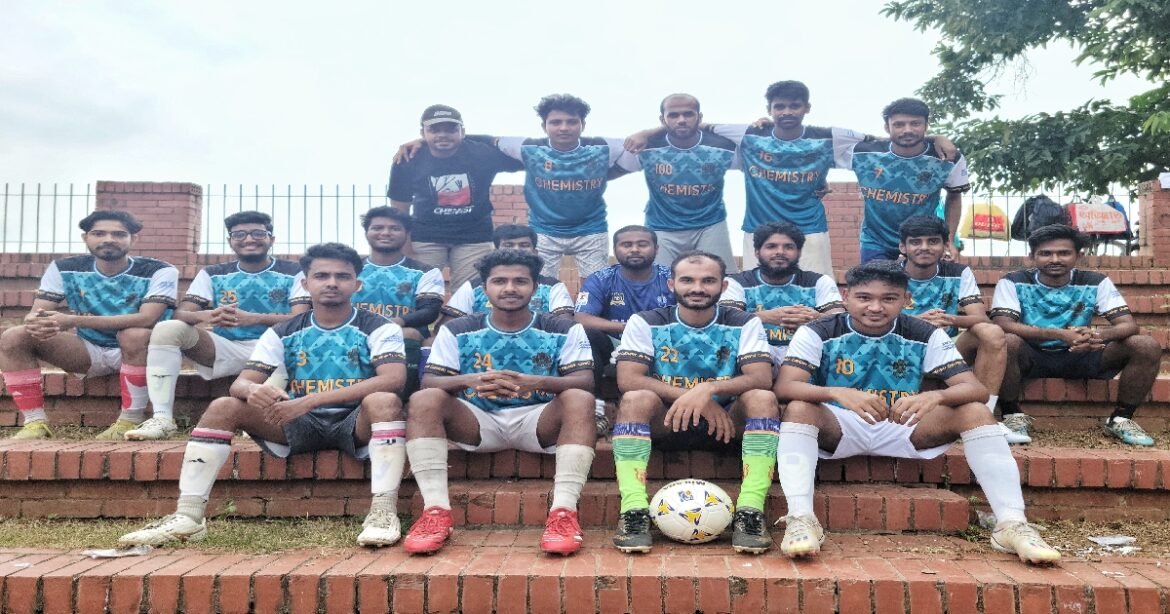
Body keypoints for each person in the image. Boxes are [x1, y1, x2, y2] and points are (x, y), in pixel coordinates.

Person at [119, 243, 409, 547]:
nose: (332, 283)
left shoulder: (379, 326)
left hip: (355, 421)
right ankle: (188, 517)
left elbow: (393, 379)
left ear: (357, 285)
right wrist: (254, 390)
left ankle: (382, 512)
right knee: (224, 406)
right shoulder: (283, 330)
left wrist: (309, 401)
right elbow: (240, 384)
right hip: (299, 422)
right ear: (305, 283)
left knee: (384, 400)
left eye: (343, 276)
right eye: (322, 276)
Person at [773, 260, 1060, 565]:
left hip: (904, 424)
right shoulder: (818, 331)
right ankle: (801, 519)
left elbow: (975, 389)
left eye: (889, 298)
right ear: (846, 297)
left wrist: (936, 395)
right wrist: (835, 392)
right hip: (840, 423)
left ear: (906, 299)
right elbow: (785, 387)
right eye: (864, 297)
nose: (875, 307)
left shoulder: (924, 332)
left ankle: (1011, 524)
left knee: (976, 411)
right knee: (799, 408)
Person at [402, 250, 597, 556]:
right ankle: (435, 512)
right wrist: (471, 380)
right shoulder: (457, 328)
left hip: (538, 419)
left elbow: (586, 381)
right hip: (478, 420)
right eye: (500, 281)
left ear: (535, 288)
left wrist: (537, 382)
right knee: (424, 399)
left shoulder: (563, 328)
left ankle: (563, 514)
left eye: (520, 281)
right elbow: (430, 381)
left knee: (579, 397)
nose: (510, 288)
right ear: (484, 288)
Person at [610, 251, 779, 554]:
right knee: (635, 399)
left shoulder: (744, 322)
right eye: (687, 280)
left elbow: (761, 377)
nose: (697, 288)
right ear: (671, 284)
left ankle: (750, 510)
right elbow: (628, 378)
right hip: (668, 420)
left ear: (723, 286)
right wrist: (695, 397)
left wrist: (709, 389)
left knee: (763, 398)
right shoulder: (646, 321)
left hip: (726, 424)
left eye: (708, 281)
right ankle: (633, 510)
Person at [128, 211, 311, 441]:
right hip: (227, 347)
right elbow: (180, 312)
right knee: (168, 329)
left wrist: (253, 318)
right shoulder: (213, 273)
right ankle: (163, 419)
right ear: (230, 241)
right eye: (239, 234)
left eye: (257, 233)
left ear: (271, 239)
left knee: (292, 346)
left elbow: (300, 318)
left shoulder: (294, 272)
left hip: (275, 352)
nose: (249, 239)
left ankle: (260, 420)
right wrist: (206, 315)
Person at [0, 210, 178, 440]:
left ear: (133, 239)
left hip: (145, 351)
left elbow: (147, 318)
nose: (109, 239)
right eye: (99, 233)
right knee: (14, 336)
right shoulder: (64, 268)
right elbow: (38, 312)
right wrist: (36, 322)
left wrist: (72, 320)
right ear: (86, 238)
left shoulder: (160, 270)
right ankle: (35, 424)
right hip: (89, 349)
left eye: (118, 234)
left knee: (133, 334)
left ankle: (130, 419)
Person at [991, 224, 1161, 446]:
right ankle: (1011, 415)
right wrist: (1060, 334)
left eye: (1064, 253)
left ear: (1079, 256)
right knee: (1007, 341)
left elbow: (1128, 325)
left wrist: (1097, 337)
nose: (1055, 259)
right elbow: (1003, 324)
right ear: (1031, 256)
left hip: (1081, 353)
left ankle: (1121, 418)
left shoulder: (1095, 281)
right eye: (1045, 253)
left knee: (1145, 345)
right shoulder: (1013, 280)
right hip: (1031, 355)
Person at [896, 216, 1021, 443]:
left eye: (933, 241)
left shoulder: (958, 272)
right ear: (903, 247)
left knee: (991, 333)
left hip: (947, 348)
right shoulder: (889, 273)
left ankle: (982, 419)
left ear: (945, 245)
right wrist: (916, 321)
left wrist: (950, 319)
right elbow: (870, 318)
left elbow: (980, 318)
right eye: (915, 242)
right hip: (900, 348)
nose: (924, 247)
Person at [484, 94, 629, 279]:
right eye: (556, 122)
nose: (564, 128)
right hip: (543, 230)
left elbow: (636, 147)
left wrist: (608, 174)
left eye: (572, 122)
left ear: (583, 125)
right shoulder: (527, 148)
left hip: (591, 229)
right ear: (544, 126)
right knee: (539, 286)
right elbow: (490, 140)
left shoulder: (604, 147)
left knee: (596, 286)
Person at [388, 104, 523, 289]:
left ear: (462, 131)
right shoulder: (408, 158)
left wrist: (483, 138)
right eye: (434, 130)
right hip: (426, 236)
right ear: (422, 133)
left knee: (470, 293)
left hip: (474, 237)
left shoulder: (481, 153)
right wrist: (406, 251)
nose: (442, 134)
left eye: (451, 129)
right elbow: (399, 211)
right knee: (417, 291)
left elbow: (528, 156)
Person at [612, 94, 739, 271]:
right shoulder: (646, 146)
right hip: (662, 227)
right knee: (659, 282)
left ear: (699, 117)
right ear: (662, 120)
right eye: (673, 115)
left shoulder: (723, 146)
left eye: (688, 114)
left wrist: (763, 126)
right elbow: (611, 172)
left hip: (710, 224)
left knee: (723, 280)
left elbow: (754, 145)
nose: (681, 120)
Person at [835, 97, 970, 262]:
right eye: (899, 125)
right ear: (887, 127)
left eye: (915, 123)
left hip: (921, 241)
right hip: (875, 242)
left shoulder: (947, 157)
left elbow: (954, 196)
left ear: (926, 125)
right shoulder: (863, 153)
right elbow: (822, 153)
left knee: (923, 280)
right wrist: (818, 183)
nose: (907, 130)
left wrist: (948, 240)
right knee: (875, 279)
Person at [573, 226, 675, 407]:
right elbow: (582, 317)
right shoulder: (600, 278)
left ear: (656, 249)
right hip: (615, 343)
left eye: (642, 244)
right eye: (627, 245)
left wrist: (645, 333)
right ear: (615, 250)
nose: (634, 249)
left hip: (662, 342)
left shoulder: (671, 278)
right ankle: (594, 406)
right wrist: (631, 328)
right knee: (584, 333)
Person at [720, 222, 844, 366]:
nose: (780, 252)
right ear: (757, 252)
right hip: (753, 360)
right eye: (771, 246)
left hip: (808, 359)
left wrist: (816, 318)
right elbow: (724, 321)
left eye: (788, 247)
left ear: (799, 252)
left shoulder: (819, 282)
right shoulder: (737, 282)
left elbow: (840, 321)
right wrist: (766, 317)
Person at [352, 206, 444, 396]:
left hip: (404, 336)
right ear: (367, 232)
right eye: (377, 228)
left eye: (394, 228)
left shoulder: (425, 272)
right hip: (356, 332)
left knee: (408, 333)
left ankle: (403, 399)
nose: (385, 232)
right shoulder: (350, 270)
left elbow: (430, 311)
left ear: (406, 233)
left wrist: (394, 323)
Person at [440, 224, 574, 321]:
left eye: (524, 245)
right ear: (495, 251)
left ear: (535, 252)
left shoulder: (552, 287)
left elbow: (565, 326)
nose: (516, 250)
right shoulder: (473, 287)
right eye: (508, 245)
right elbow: (446, 327)